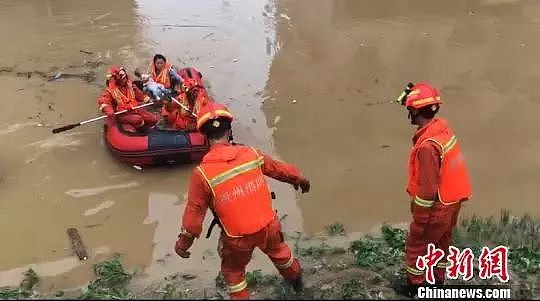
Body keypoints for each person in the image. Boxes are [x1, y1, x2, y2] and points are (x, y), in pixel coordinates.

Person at [174, 102, 311, 299]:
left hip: (237, 238)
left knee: (234, 272)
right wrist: (300, 179)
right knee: (281, 253)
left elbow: (194, 215)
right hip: (268, 225)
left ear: (204, 136)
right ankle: (297, 282)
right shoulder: (251, 154)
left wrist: (183, 244)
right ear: (229, 130)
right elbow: (280, 169)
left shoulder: (202, 174)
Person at [395, 82, 472, 297]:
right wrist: (409, 100)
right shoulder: (443, 130)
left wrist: (419, 222)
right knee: (441, 243)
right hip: (452, 200)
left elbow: (427, 191)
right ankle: (437, 284)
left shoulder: (427, 147)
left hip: (436, 206)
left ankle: (416, 287)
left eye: (410, 109)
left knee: (417, 247)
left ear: (414, 111)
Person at [98, 65, 158, 133]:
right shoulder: (110, 91)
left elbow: (139, 95)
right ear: (116, 79)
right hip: (122, 114)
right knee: (137, 120)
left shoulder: (130, 85)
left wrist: (148, 100)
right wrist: (109, 111)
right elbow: (103, 101)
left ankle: (150, 131)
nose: (124, 80)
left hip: (135, 109)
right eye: (122, 78)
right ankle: (142, 132)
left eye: (124, 77)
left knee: (153, 119)